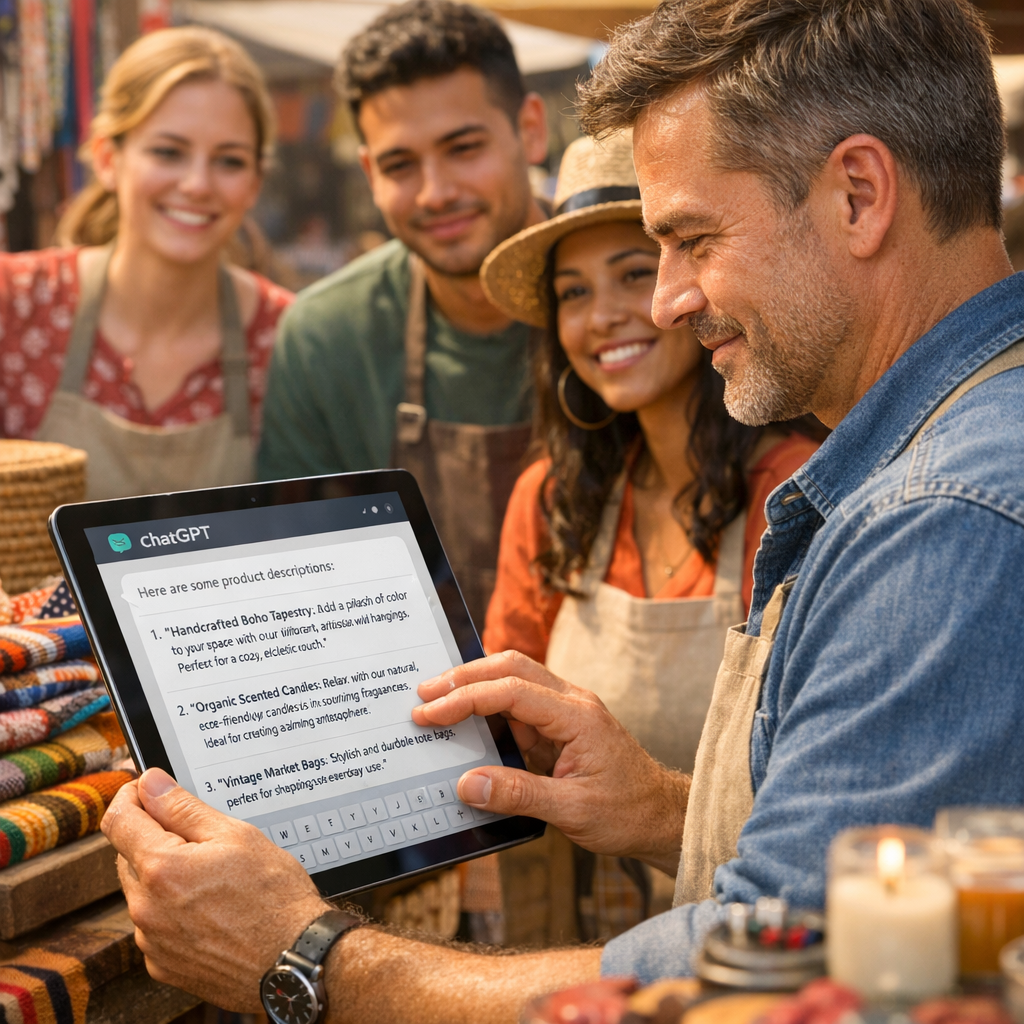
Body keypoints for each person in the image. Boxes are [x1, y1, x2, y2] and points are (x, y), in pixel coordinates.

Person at [100, 0, 1024, 1019]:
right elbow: (883, 889)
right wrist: (662, 805)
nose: (667, 299)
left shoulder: (940, 516)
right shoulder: (950, 451)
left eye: (687, 239)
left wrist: (306, 954)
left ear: (857, 193)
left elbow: (792, 975)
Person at [480, 130, 818, 943]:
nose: (602, 318)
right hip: (564, 942)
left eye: (635, 273)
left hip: (745, 950)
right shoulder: (553, 499)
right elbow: (499, 724)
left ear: (691, 284)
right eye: (572, 292)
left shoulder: (793, 491)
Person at [256, 0, 549, 632]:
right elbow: (293, 572)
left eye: (463, 147)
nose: (435, 191)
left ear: (530, 129)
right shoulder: (327, 335)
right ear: (368, 172)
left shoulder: (636, 296)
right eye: (399, 165)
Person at [0, 27, 293, 499]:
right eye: (168, 152)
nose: (198, 184)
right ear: (107, 159)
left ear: (256, 182)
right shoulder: (15, 305)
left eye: (230, 161)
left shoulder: (289, 339)